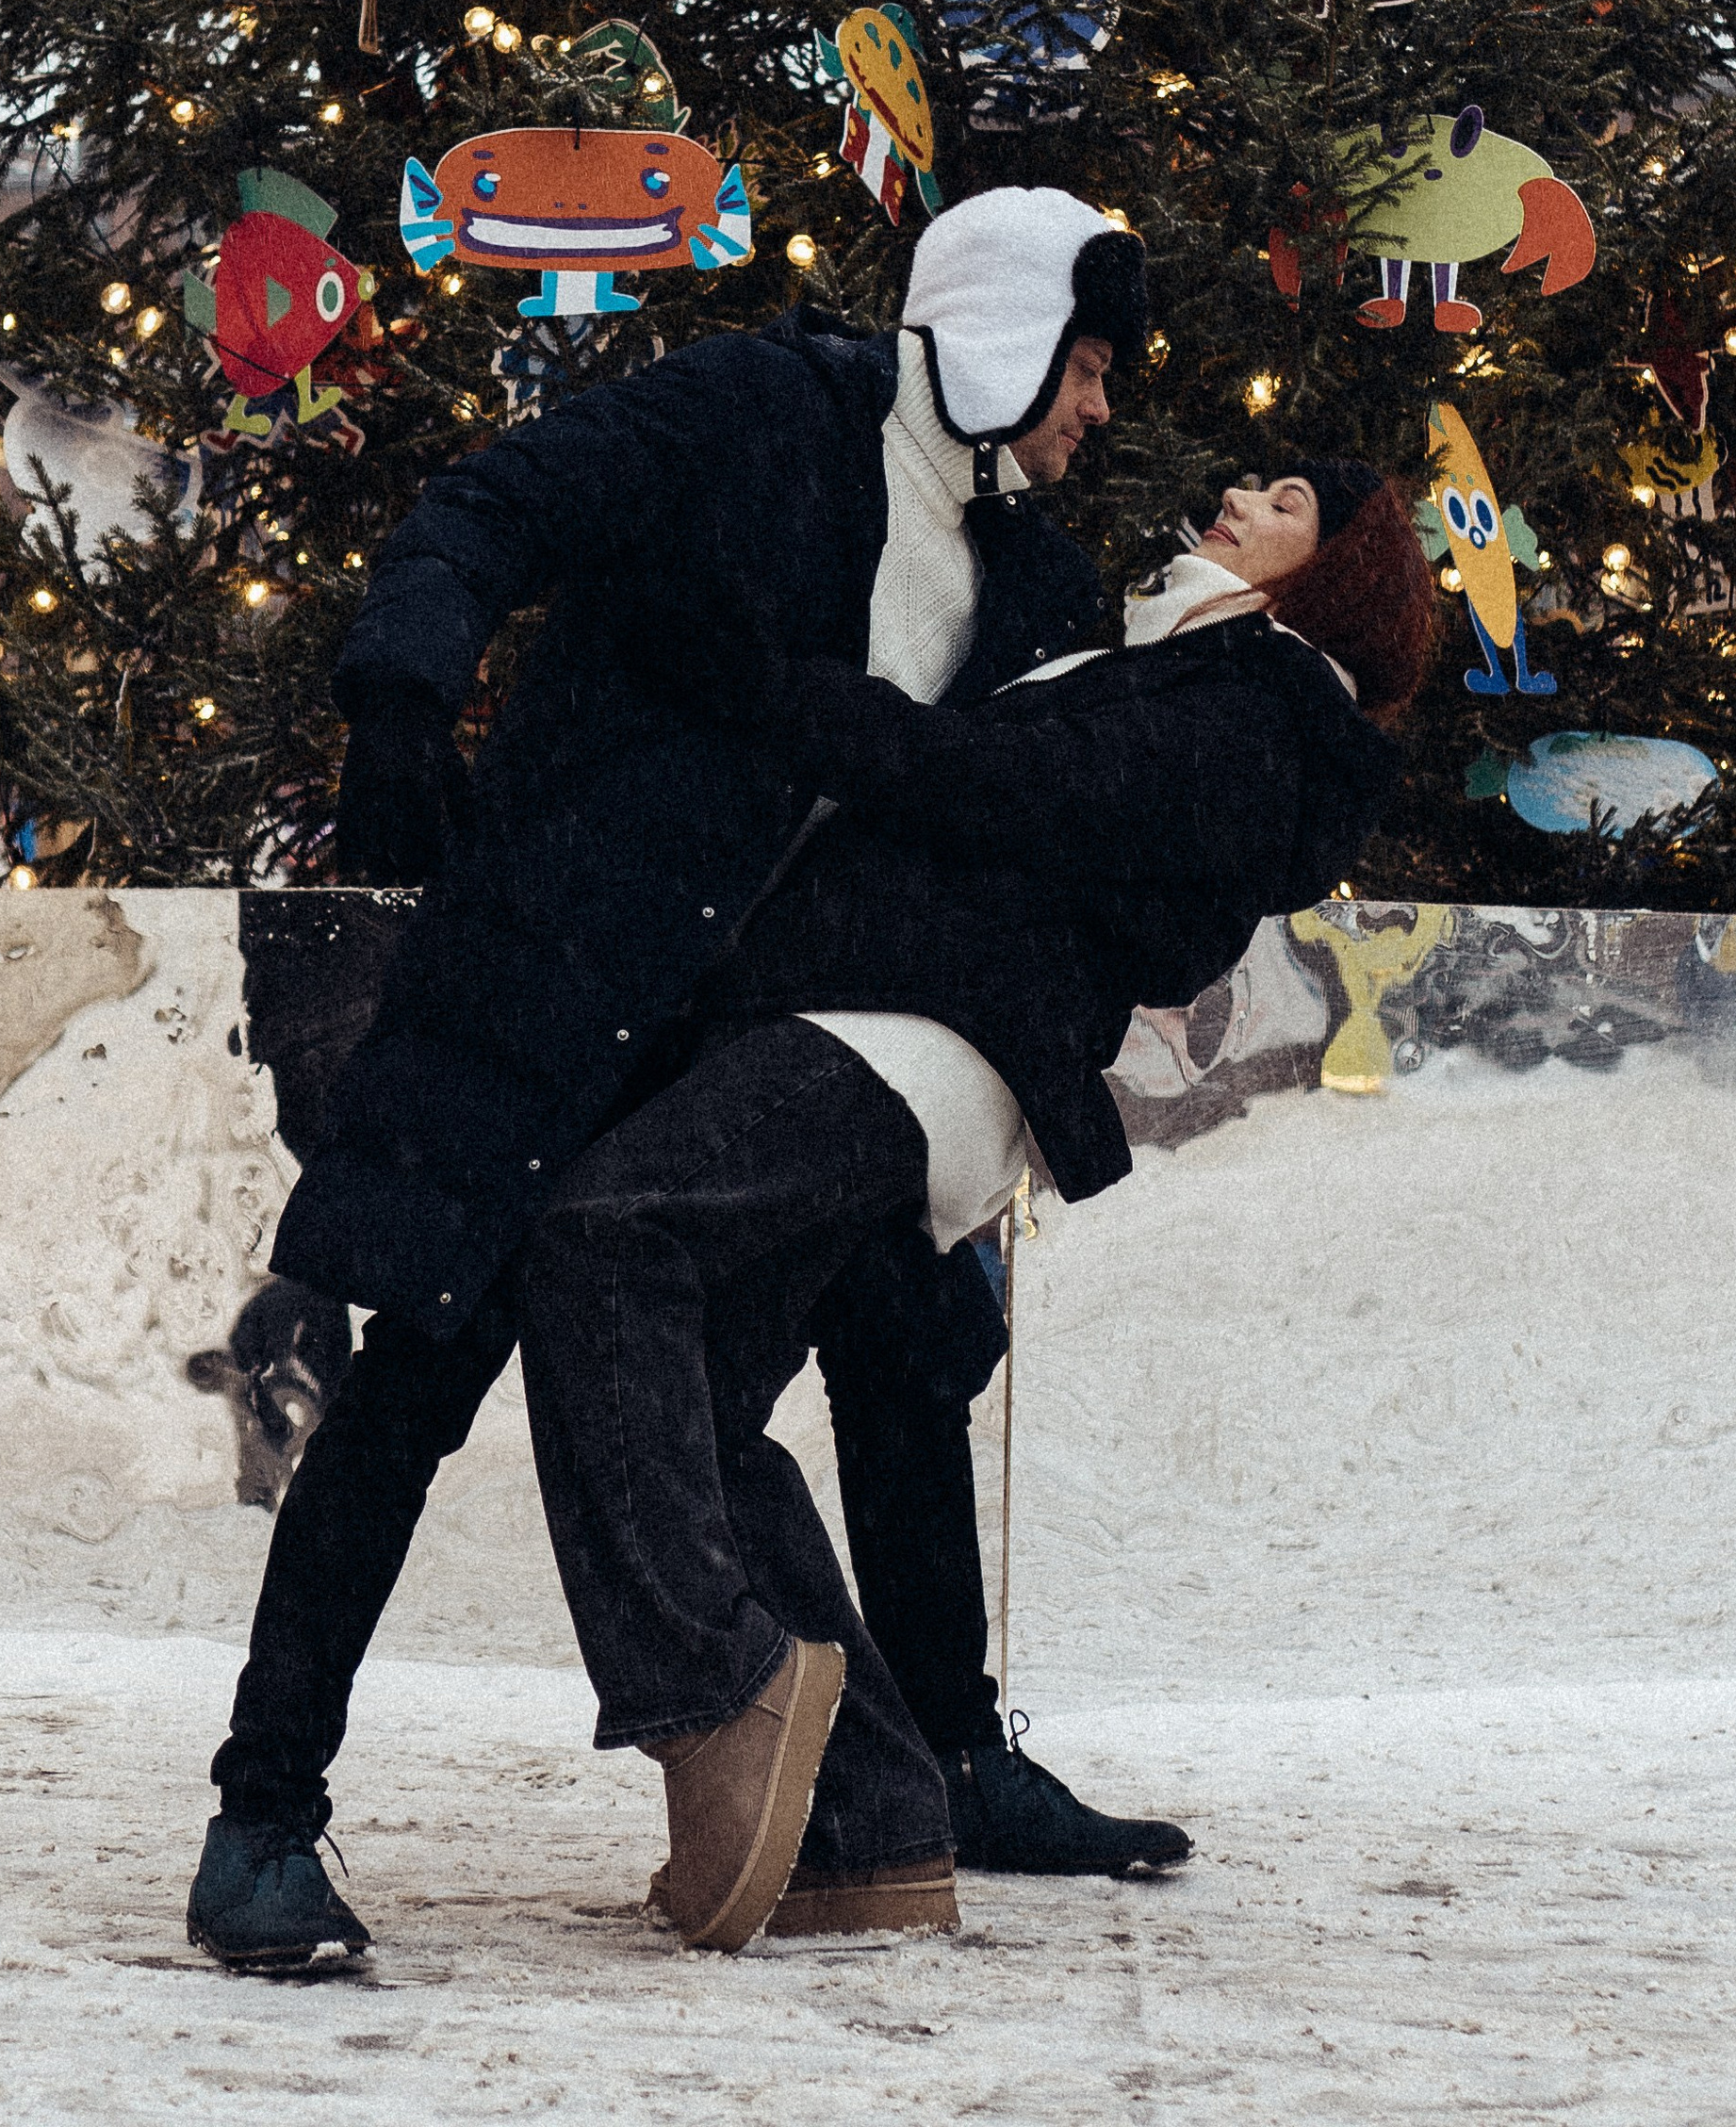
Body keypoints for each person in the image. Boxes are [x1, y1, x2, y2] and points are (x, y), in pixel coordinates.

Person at [188, 189, 1192, 1971]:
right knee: (414, 1394)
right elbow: (489, 506)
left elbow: (1034, 821)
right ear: (998, 323)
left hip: (748, 1045)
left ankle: (943, 1765)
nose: (1103, 406)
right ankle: (262, 1822)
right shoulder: (753, 415)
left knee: (908, 1355)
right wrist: (406, 692)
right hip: (546, 985)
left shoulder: (1029, 572)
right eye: (1090, 362)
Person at [513, 464, 1436, 1949]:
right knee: (687, 1398)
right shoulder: (1167, 662)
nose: (1236, 494)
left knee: (604, 1236)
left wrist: (779, 695)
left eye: (1285, 501)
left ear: (1340, 575)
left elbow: (1026, 795)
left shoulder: (1273, 704)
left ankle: (712, 1688)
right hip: (860, 1014)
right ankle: (870, 1822)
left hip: (918, 1036)